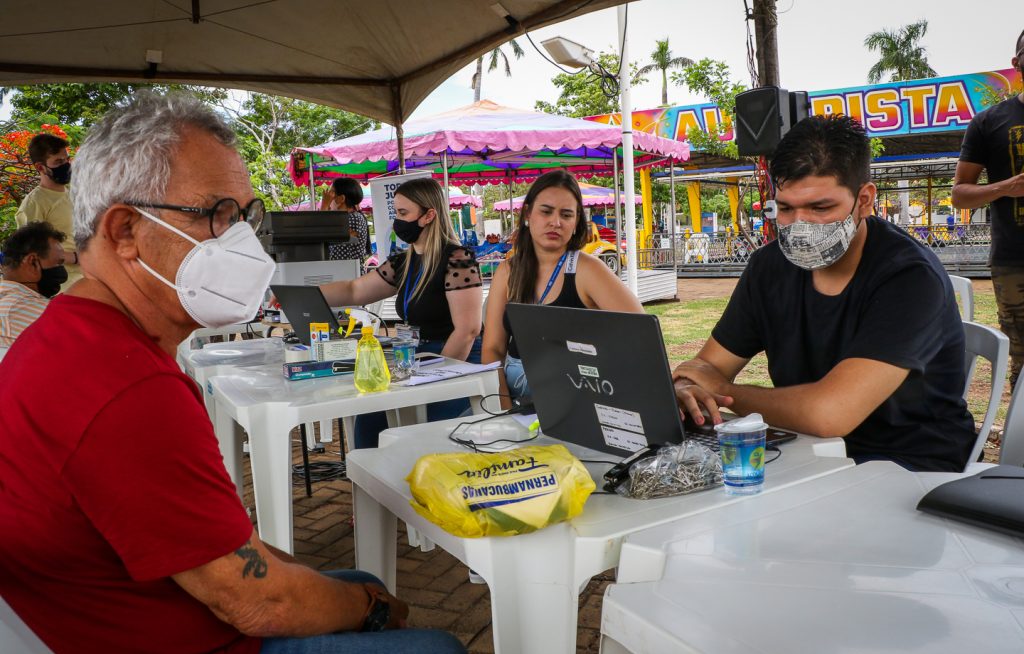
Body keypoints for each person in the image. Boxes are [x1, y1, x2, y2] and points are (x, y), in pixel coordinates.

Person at [0, 92, 472, 654]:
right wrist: (366, 610)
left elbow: (225, 548)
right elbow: (256, 600)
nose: (243, 241)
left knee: (357, 585)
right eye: (219, 214)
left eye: (245, 216)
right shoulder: (126, 388)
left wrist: (346, 595)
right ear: (125, 230)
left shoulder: (76, 339)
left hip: (114, 625)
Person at [673, 115, 975, 473]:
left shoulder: (909, 277)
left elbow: (829, 414)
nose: (800, 226)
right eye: (785, 208)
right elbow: (704, 367)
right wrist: (684, 389)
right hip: (805, 455)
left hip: (909, 470)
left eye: (820, 208)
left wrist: (725, 392)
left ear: (864, 200)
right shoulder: (769, 267)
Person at [317, 177, 483, 447]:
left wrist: (433, 382)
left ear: (429, 215)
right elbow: (353, 291)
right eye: (396, 213)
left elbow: (467, 331)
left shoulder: (458, 259)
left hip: (456, 361)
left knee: (427, 437)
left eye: (404, 214)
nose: (398, 221)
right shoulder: (403, 261)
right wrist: (306, 293)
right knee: (371, 415)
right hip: (419, 357)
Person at [482, 170, 643, 407]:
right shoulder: (507, 271)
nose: (555, 222)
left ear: (576, 222)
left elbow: (641, 332)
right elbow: (493, 348)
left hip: (576, 404)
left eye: (566, 215)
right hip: (517, 403)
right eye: (546, 211)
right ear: (528, 213)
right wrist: (503, 408)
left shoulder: (588, 270)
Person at [952, 28, 1024, 387]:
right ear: (1016, 64)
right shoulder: (989, 122)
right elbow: (960, 195)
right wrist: (1007, 187)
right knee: (1022, 359)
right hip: (1015, 260)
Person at [16, 132, 80, 290]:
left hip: (90, 276)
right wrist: (75, 257)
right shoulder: (34, 203)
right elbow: (32, 252)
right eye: (58, 161)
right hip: (63, 287)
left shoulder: (74, 193)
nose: (66, 165)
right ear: (40, 167)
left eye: (67, 159)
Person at [0, 221, 67, 347]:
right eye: (58, 263)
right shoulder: (20, 307)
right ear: (32, 262)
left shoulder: (7, 301)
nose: (62, 270)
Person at [322, 177, 371, 271]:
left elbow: (320, 232)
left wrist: (325, 205)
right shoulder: (349, 218)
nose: (328, 198)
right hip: (345, 273)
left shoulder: (353, 218)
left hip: (349, 275)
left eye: (331, 194)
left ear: (341, 198)